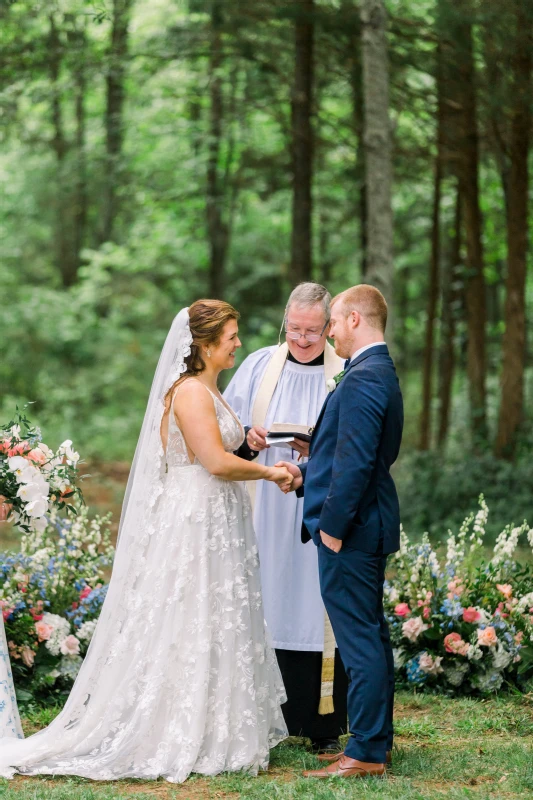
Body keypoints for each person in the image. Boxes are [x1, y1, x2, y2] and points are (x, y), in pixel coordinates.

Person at [0, 300, 292, 782]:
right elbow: (214, 464)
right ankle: (180, 729)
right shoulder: (191, 394)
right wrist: (270, 472)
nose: (239, 343)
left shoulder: (208, 390)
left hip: (216, 517)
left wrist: (249, 445)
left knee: (216, 615)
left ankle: (217, 726)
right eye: (232, 336)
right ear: (205, 342)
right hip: (196, 521)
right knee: (192, 615)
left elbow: (220, 450)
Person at [278, 285, 404, 780]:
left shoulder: (363, 377)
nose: (328, 331)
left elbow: (357, 463)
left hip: (351, 531)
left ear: (354, 319)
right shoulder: (372, 372)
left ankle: (368, 750)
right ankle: (374, 742)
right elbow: (347, 454)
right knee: (367, 635)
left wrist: (332, 529)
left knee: (359, 641)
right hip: (362, 524)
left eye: (331, 321)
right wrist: (307, 476)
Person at [224, 283, 349, 754]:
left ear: (329, 325)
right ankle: (262, 721)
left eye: (313, 331)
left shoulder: (343, 372)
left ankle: (322, 726)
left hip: (319, 504)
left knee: (315, 605)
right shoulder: (259, 365)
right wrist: (249, 441)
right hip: (265, 506)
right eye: (294, 329)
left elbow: (357, 444)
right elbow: (226, 433)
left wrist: (314, 451)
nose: (301, 339)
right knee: (267, 597)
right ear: (284, 320)